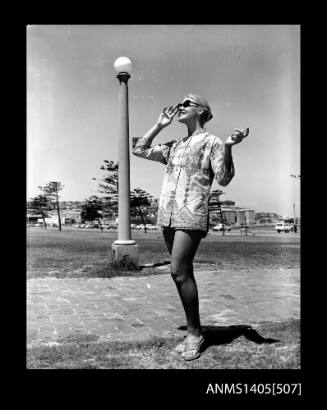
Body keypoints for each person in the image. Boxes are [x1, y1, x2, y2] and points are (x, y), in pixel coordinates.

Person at [133, 94, 248, 360]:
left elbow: (224, 178)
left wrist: (230, 146)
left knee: (177, 271)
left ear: (201, 111)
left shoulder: (212, 142)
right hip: (168, 215)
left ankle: (194, 333)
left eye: (186, 104)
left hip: (192, 213)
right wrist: (159, 125)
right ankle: (195, 329)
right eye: (180, 104)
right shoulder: (174, 144)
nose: (180, 107)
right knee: (183, 273)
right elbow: (139, 149)